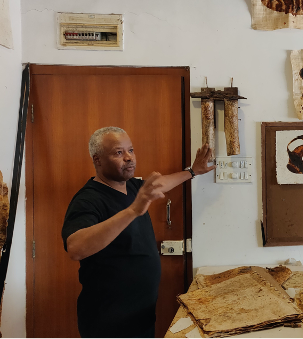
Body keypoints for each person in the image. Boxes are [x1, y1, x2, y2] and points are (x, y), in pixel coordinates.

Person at [62, 126, 215, 339]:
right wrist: (133, 211)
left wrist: (192, 171)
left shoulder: (133, 187)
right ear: (97, 160)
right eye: (118, 152)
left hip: (140, 316)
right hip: (109, 322)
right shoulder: (88, 200)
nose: (128, 158)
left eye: (131, 150)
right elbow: (76, 248)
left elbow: (162, 184)